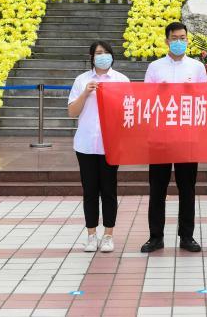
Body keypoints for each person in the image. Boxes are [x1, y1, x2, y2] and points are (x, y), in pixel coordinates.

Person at [140, 22, 207, 253]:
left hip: (188, 137)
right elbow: (146, 99)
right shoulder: (155, 67)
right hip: (160, 136)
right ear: (167, 40)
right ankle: (155, 236)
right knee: (157, 189)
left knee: (187, 188)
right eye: (175, 38)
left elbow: (205, 99)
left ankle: (187, 236)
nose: (179, 41)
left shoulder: (197, 67)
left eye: (183, 38)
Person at [67, 40, 129, 253]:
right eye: (98, 53)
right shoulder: (82, 80)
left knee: (109, 190)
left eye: (106, 53)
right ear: (92, 57)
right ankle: (91, 235)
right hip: (85, 145)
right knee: (90, 191)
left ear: (112, 56)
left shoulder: (121, 80)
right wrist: (85, 93)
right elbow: (72, 112)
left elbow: (127, 112)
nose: (103, 56)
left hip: (110, 145)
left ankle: (108, 235)